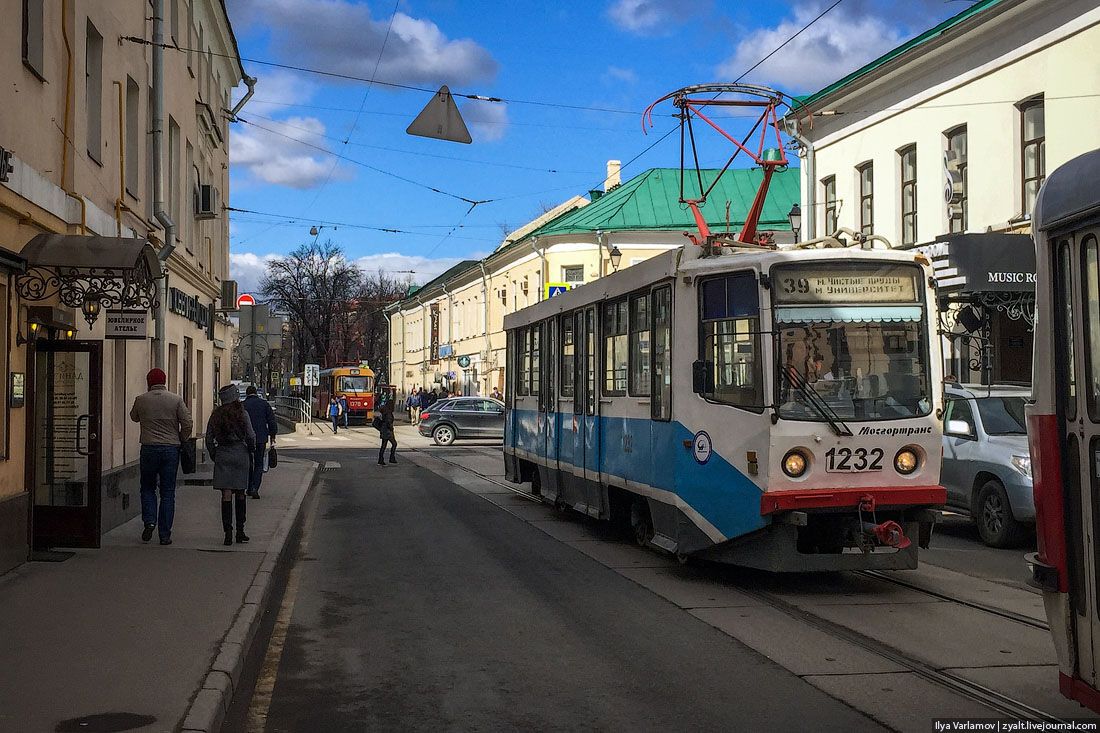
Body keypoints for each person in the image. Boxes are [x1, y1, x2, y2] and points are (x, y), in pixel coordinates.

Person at [130, 368, 193, 546]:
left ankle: (149, 521)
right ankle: (164, 534)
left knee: (147, 487)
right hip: (170, 449)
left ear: (149, 381)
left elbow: (133, 417)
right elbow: (187, 422)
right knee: (167, 492)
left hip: (149, 448)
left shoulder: (141, 400)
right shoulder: (175, 399)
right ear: (164, 381)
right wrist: (182, 438)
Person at [206, 385, 257, 546]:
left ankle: (227, 532)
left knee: (226, 494)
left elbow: (208, 438)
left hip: (223, 454)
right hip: (240, 454)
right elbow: (251, 435)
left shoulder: (216, 415)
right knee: (241, 492)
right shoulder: (242, 413)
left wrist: (214, 453)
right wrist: (251, 450)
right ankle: (240, 531)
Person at [243, 385, 277, 499]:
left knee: (248, 463)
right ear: (256, 393)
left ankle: (248, 487)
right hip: (261, 438)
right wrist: (272, 436)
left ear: (247, 394)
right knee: (259, 464)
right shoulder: (264, 404)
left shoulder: (242, 405)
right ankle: (255, 488)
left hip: (246, 439)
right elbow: (272, 421)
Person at [377, 391, 397, 465]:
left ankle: (381, 459)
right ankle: (391, 458)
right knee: (394, 444)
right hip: (388, 432)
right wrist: (391, 428)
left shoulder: (385, 411)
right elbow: (389, 422)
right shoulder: (388, 413)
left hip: (383, 430)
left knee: (383, 445)